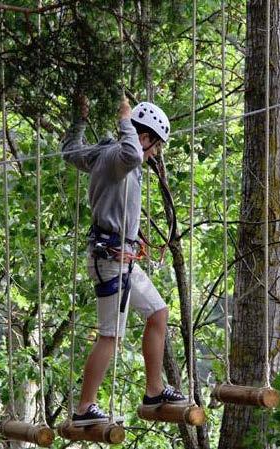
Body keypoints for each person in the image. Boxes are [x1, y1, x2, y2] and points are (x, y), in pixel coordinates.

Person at [61, 93, 188, 426]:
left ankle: (154, 390)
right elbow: (131, 151)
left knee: (158, 313)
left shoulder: (107, 154)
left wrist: (81, 119)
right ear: (144, 137)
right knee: (110, 336)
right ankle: (84, 408)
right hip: (111, 261)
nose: (154, 155)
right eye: (155, 147)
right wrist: (125, 116)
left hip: (124, 260)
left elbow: (70, 152)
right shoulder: (121, 156)